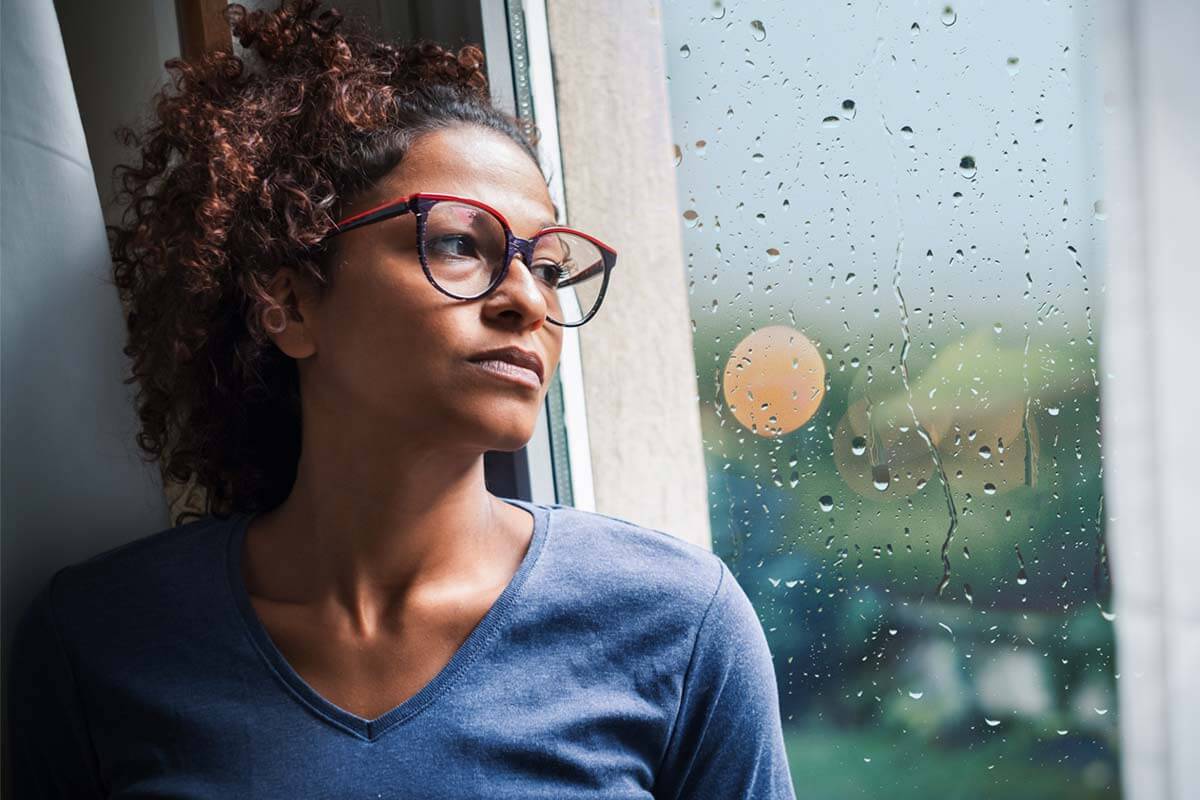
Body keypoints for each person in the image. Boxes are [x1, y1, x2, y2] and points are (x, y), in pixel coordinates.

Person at [5, 1, 795, 797]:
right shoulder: (99, 639)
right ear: (293, 304)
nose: (528, 300)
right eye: (457, 243)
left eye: (549, 267)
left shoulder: (680, 625)